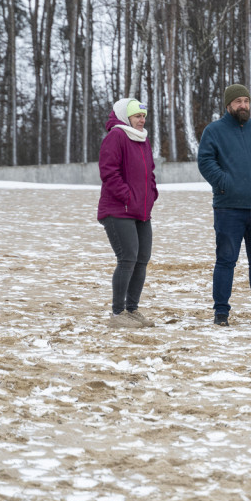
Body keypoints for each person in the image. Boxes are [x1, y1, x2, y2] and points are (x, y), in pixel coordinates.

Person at [197, 84, 251, 325]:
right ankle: (221, 312)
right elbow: (205, 161)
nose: (243, 105)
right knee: (226, 260)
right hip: (229, 208)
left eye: (246, 100)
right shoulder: (214, 131)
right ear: (228, 105)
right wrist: (224, 183)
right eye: (238, 102)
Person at [97, 98, 158, 328]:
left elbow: (149, 172)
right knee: (127, 259)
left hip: (141, 210)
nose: (141, 120)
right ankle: (117, 314)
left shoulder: (143, 139)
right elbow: (109, 172)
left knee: (142, 259)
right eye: (137, 116)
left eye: (143, 116)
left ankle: (132, 310)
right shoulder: (117, 136)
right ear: (126, 117)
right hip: (118, 210)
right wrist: (128, 197)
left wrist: (151, 194)